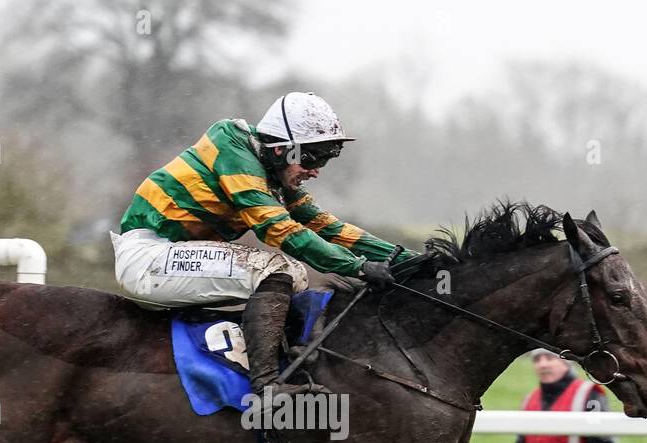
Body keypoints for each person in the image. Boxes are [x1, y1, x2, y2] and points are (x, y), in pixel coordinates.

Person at [111, 92, 418, 403]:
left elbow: (328, 226)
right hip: (148, 256)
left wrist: (409, 260)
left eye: (325, 159)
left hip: (175, 255)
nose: (316, 171)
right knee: (278, 268)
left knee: (296, 276)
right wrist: (358, 267)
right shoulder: (232, 147)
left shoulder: (271, 171)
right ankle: (267, 386)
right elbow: (277, 229)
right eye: (313, 158)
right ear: (283, 148)